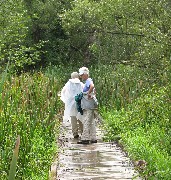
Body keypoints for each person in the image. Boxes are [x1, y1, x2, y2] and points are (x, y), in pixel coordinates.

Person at [77, 67, 98, 144]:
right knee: (91, 121)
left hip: (88, 105)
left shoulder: (89, 80)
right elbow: (94, 90)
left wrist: (88, 93)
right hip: (89, 105)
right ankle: (93, 138)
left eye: (82, 75)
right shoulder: (87, 81)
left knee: (86, 121)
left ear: (86, 74)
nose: (81, 76)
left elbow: (92, 86)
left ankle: (85, 138)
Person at [60, 72, 83, 138]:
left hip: (71, 104)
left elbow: (63, 92)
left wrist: (66, 100)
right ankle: (83, 132)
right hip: (79, 102)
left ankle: (75, 133)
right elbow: (84, 92)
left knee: (73, 118)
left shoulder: (68, 84)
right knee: (81, 117)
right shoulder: (80, 84)